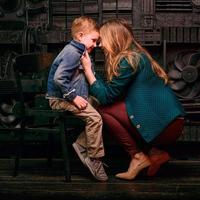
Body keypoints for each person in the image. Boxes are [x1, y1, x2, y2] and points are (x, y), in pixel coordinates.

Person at [81, 18, 185, 180]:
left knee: (105, 110)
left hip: (166, 125)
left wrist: (88, 71)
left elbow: (106, 97)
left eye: (102, 40)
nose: (100, 45)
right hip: (171, 122)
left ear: (114, 39)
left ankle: (137, 157)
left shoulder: (128, 61)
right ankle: (154, 152)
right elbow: (112, 91)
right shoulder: (136, 55)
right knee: (122, 107)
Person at [46, 16, 108, 182]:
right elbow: (59, 79)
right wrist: (73, 97)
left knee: (104, 108)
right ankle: (94, 158)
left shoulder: (80, 51)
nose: (95, 45)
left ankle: (82, 144)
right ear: (80, 36)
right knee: (95, 118)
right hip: (61, 99)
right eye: (93, 40)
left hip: (74, 96)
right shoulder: (72, 53)